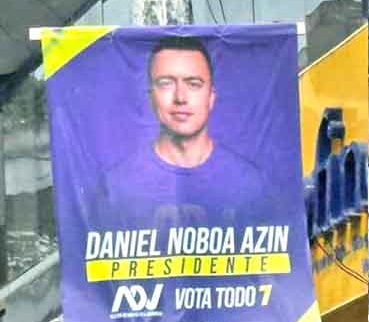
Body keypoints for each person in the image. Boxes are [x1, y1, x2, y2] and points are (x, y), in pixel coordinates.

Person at [97, 35, 265, 230]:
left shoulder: (249, 183)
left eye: (193, 84)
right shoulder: (116, 186)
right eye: (166, 83)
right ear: (151, 97)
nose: (180, 97)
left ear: (211, 97)